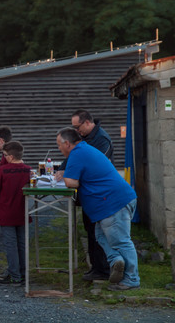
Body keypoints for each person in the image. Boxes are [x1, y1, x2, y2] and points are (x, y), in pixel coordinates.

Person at [56, 127, 140, 291]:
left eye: (59, 145)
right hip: (112, 200)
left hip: (113, 202)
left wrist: (66, 176)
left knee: (121, 241)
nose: (59, 148)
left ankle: (132, 279)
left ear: (67, 143)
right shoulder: (83, 149)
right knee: (101, 237)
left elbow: (71, 182)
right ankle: (116, 260)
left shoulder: (77, 153)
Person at [57, 109, 113, 282]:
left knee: (99, 233)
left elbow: (93, 165)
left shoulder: (101, 140)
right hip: (88, 193)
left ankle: (104, 269)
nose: (76, 131)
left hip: (98, 193)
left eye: (77, 127)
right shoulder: (84, 138)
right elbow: (73, 156)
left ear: (87, 122)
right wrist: (62, 169)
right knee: (90, 231)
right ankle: (96, 267)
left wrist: (72, 174)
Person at [0, 141, 31, 286]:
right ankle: (23, 273)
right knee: (22, 244)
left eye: (5, 155)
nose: (4, 158)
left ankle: (15, 276)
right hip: (22, 212)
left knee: (10, 245)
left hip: (6, 213)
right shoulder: (28, 170)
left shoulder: (3, 170)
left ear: (11, 156)